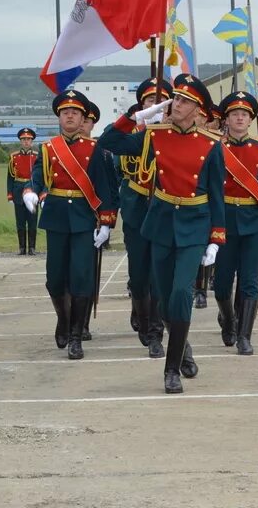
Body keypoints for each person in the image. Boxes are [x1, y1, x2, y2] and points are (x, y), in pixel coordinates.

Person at [99, 73, 225, 395]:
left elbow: (216, 194)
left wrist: (216, 236)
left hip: (195, 223)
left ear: (198, 110)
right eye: (175, 98)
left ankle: (170, 371)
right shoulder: (154, 136)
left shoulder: (211, 145)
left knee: (182, 292)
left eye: (183, 100)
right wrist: (134, 117)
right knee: (166, 299)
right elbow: (108, 143)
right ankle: (182, 349)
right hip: (161, 222)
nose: (175, 104)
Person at [23, 90, 118, 359]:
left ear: (83, 117)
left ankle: (76, 335)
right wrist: (30, 191)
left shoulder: (95, 149)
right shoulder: (48, 148)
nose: (70, 116)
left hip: (83, 218)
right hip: (55, 217)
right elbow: (37, 176)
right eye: (65, 112)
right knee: (54, 279)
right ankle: (63, 319)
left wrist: (107, 222)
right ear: (59, 117)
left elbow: (105, 189)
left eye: (75, 112)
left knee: (81, 278)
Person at [213, 92, 258, 355]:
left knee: (251, 280)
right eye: (234, 114)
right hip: (224, 221)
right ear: (227, 119)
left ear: (250, 120)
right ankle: (228, 319)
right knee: (221, 283)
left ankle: (244, 336)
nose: (240, 118)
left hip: (252, 222)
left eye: (244, 115)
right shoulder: (214, 148)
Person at [116, 77, 172, 358]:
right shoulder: (131, 136)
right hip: (136, 210)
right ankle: (139, 308)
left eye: (160, 103)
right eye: (150, 101)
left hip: (164, 212)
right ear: (142, 106)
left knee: (158, 275)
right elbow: (114, 162)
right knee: (138, 276)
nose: (155, 107)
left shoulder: (173, 136)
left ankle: (155, 331)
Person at [7, 127, 39, 255]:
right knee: (20, 221)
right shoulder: (14, 157)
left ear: (32, 141)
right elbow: (10, 177)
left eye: (29, 139)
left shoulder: (37, 156)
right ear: (20, 141)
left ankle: (32, 247)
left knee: (32, 220)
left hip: (32, 189)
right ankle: (21, 247)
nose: (26, 142)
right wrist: (10, 194)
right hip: (18, 190)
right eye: (24, 139)